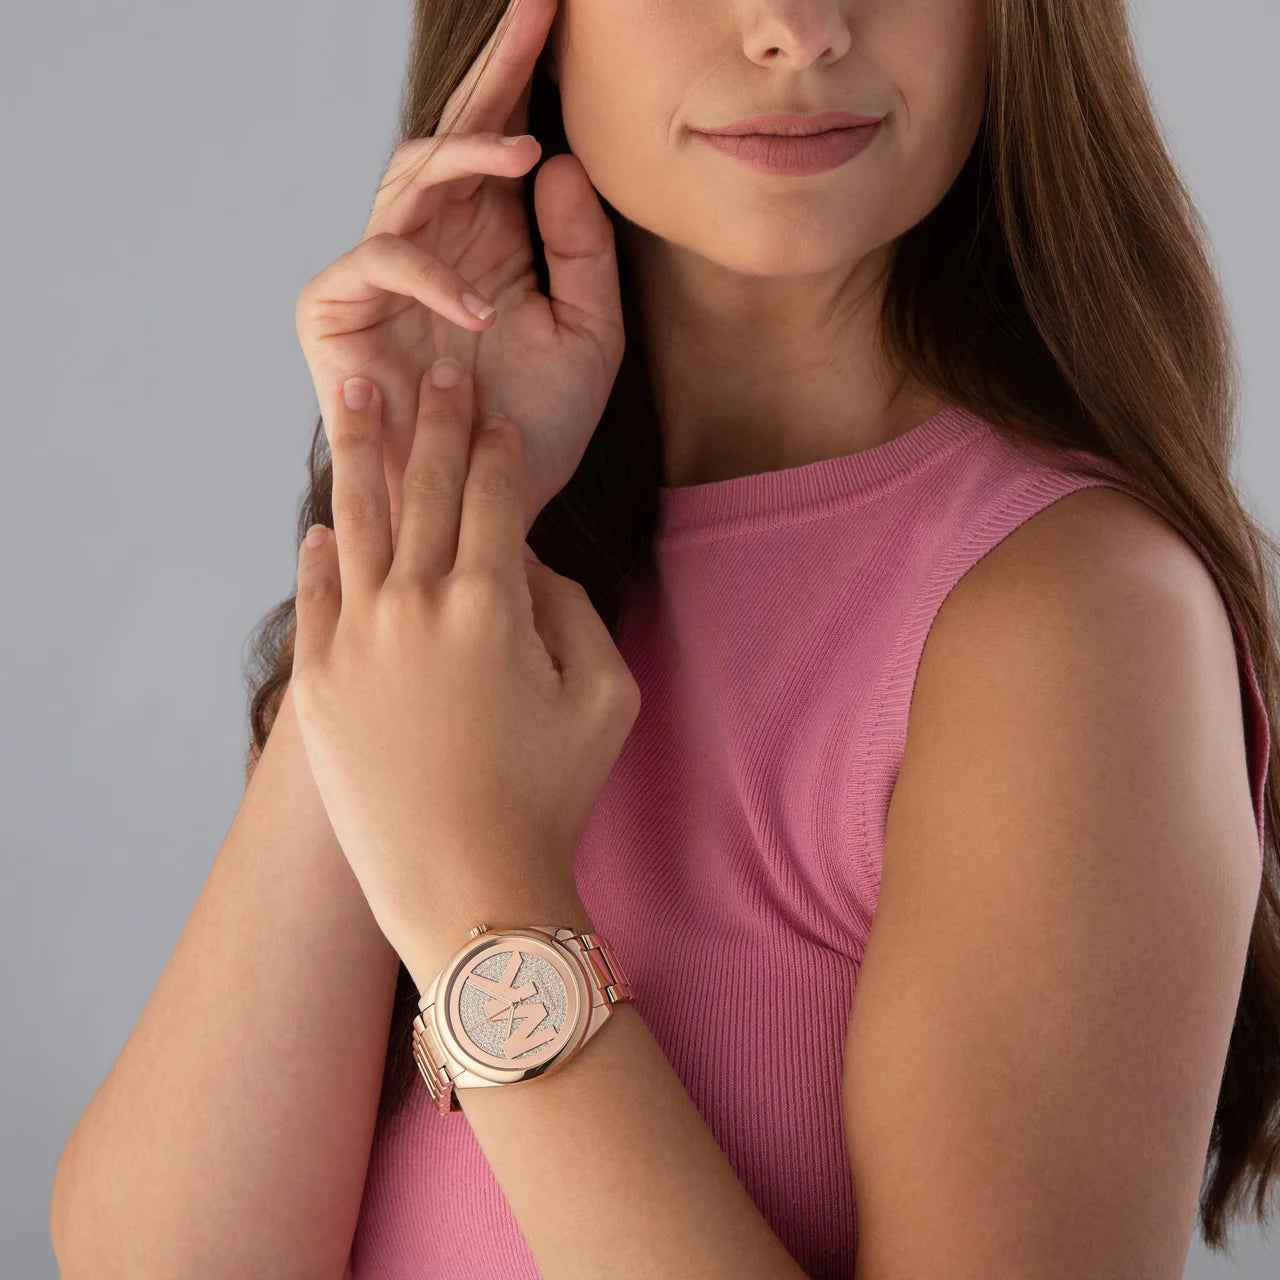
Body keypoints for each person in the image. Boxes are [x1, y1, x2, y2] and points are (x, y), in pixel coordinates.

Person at [51, 1, 1279, 1277]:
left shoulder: (1075, 624)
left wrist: (478, 887)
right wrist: (432, 497)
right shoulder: (497, 570)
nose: (796, 28)